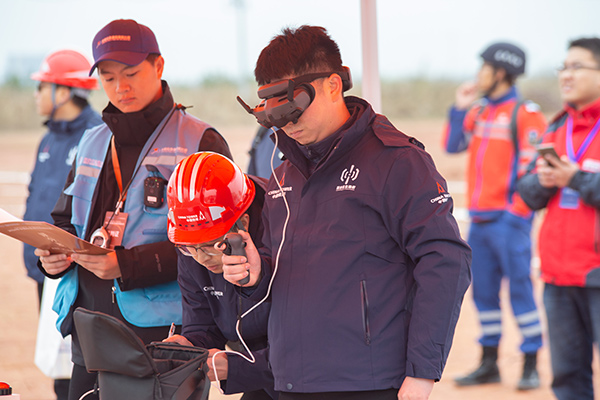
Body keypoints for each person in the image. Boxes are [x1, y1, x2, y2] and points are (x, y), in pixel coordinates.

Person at [223, 25, 472, 400]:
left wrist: (423, 373)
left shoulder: (397, 162)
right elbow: (290, 276)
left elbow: (445, 261)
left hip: (368, 383)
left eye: (294, 109)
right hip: (289, 381)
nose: (288, 124)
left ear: (333, 86)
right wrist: (258, 276)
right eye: (277, 115)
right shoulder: (282, 175)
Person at [35, 19, 232, 400]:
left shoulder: (199, 140)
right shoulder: (91, 141)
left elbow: (219, 247)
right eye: (108, 78)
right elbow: (64, 221)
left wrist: (127, 265)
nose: (120, 87)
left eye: (131, 73)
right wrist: (52, 256)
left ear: (158, 67)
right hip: (88, 331)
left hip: (165, 337)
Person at [442, 42, 547, 390]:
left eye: (484, 67)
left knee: (521, 292)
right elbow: (452, 145)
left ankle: (530, 362)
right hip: (480, 223)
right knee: (483, 294)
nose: (479, 74)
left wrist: (516, 215)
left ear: (500, 72)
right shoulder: (480, 111)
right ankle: (489, 364)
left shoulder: (525, 113)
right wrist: (459, 108)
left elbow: (533, 168)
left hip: (509, 221)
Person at [517, 37, 600, 400]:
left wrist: (576, 179)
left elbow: (582, 182)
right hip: (557, 275)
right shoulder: (556, 127)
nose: (566, 75)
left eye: (577, 67)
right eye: (563, 67)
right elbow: (529, 194)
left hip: (596, 274)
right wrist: (544, 181)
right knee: (567, 376)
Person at [163, 151, 276, 399]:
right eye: (188, 247)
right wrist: (189, 345)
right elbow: (202, 322)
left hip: (308, 378)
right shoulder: (190, 246)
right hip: (260, 375)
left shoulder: (284, 233)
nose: (200, 258)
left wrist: (237, 366)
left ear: (243, 224)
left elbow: (311, 344)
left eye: (211, 245)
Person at [25, 49, 102, 400]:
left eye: (42, 87)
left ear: (63, 91)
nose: (37, 95)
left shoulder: (96, 136)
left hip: (76, 274)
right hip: (45, 271)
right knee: (58, 370)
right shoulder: (48, 138)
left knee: (81, 367)